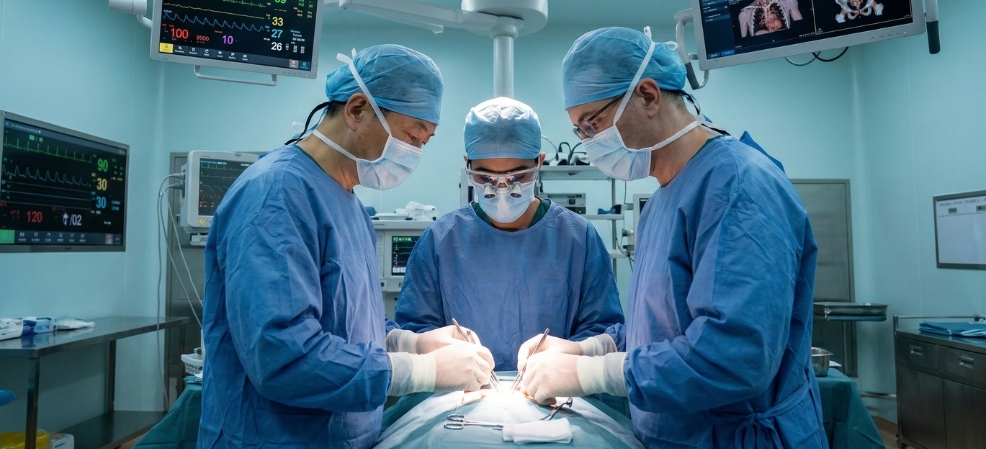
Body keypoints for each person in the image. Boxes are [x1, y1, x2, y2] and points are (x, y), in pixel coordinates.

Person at [517, 27, 825, 449]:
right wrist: (586, 351)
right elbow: (661, 330)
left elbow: (734, 356)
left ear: (647, 95)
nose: (589, 143)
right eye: (580, 132)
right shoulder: (662, 201)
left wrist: (590, 376)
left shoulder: (739, 187)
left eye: (593, 124)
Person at [198, 45, 495, 449]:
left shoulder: (349, 202)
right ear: (357, 110)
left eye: (424, 142)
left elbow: (347, 323)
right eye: (411, 136)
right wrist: (421, 370)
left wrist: (411, 342)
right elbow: (283, 358)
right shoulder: (276, 195)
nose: (415, 153)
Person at [395, 97, 625, 371]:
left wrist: (570, 364)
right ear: (467, 165)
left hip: (557, 398)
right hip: (459, 401)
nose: (502, 189)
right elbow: (416, 334)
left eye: (518, 176)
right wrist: (442, 363)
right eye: (485, 178)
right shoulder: (439, 241)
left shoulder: (578, 238)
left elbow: (603, 332)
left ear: (540, 163)